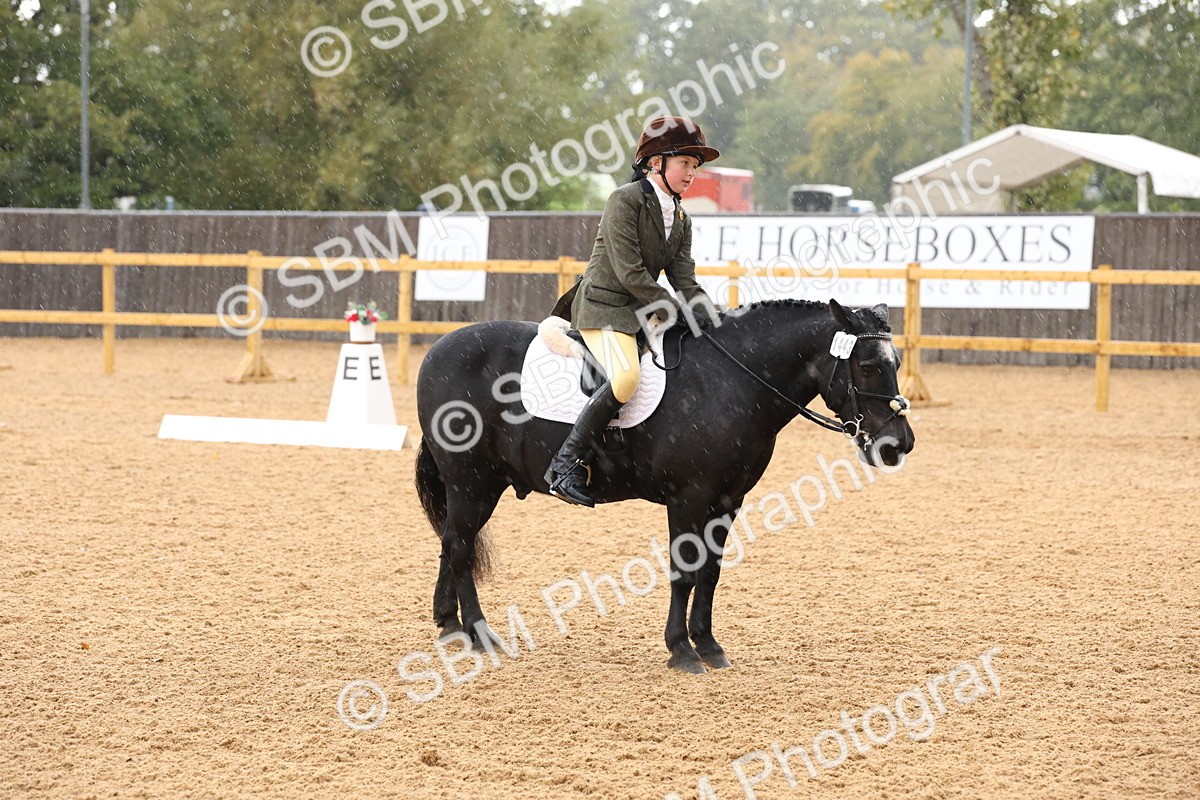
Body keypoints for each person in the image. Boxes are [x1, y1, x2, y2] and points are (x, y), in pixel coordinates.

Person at [544, 115, 720, 507]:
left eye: (695, 166)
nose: (692, 174)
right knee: (626, 378)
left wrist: (713, 316)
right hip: (603, 309)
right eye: (685, 164)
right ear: (656, 162)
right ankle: (564, 464)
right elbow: (630, 273)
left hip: (639, 314)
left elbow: (685, 278)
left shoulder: (681, 219)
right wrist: (675, 311)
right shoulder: (624, 200)